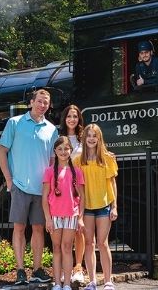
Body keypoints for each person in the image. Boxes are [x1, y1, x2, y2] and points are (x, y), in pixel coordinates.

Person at [0, 89, 58, 285]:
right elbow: (1, 151)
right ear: (31, 102)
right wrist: (9, 180)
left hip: (42, 189)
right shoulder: (14, 123)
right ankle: (20, 270)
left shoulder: (52, 129)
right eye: (39, 101)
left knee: (39, 229)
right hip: (20, 186)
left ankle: (38, 270)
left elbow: (52, 161)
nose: (42, 105)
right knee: (19, 228)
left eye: (46, 102)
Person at [74, 124, 118, 290]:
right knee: (89, 244)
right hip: (86, 208)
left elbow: (112, 183)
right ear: (84, 138)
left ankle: (108, 281)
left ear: (99, 139)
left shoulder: (107, 158)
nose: (91, 138)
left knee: (103, 243)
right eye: (89, 135)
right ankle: (92, 282)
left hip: (104, 205)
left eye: (95, 136)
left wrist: (114, 206)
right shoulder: (78, 161)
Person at [42, 136, 86, 290]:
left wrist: (80, 218)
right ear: (55, 151)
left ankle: (67, 283)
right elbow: (45, 197)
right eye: (59, 149)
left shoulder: (77, 172)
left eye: (66, 149)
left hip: (71, 215)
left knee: (67, 247)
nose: (63, 151)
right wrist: (48, 218)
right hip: (54, 216)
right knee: (56, 248)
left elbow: (82, 197)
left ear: (70, 150)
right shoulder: (49, 172)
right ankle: (57, 283)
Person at [58, 105, 88, 285]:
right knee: (64, 230)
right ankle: (64, 268)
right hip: (65, 188)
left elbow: (95, 150)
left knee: (79, 228)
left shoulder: (83, 137)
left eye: (75, 116)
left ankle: (78, 266)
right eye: (69, 116)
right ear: (64, 118)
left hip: (82, 184)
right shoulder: (59, 137)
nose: (72, 119)